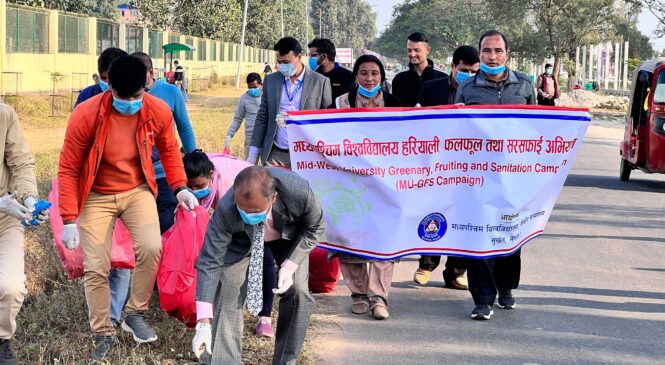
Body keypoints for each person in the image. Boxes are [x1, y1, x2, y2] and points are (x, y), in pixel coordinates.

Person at [58, 55, 198, 360]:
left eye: (137, 96)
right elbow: (68, 168)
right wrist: (69, 218)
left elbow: (171, 152)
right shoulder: (86, 114)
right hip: (96, 194)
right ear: (109, 88)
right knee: (97, 266)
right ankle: (102, 332)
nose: (131, 102)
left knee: (150, 247)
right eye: (123, 97)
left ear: (147, 84)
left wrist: (180, 187)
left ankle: (135, 314)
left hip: (137, 191)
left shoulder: (157, 110)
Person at [192, 166, 325, 365]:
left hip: (287, 238)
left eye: (254, 211)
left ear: (273, 199)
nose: (247, 214)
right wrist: (202, 323)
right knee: (228, 287)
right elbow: (209, 260)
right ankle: (223, 360)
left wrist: (290, 266)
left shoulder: (298, 191)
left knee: (298, 291)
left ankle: (286, 361)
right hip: (242, 239)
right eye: (242, 209)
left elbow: (316, 227)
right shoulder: (227, 209)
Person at [455, 30, 536, 320]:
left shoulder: (525, 85)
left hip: (514, 176)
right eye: (486, 51)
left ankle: (506, 287)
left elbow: (536, 130)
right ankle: (482, 299)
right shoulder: (467, 88)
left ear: (507, 53)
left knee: (510, 234)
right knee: (479, 234)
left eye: (497, 50)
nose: (492, 56)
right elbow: (458, 131)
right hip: (478, 176)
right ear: (479, 54)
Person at [73, 47, 134, 332]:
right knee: (98, 257)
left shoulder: (135, 98)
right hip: (94, 190)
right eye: (107, 80)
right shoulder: (86, 99)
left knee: (123, 256)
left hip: (129, 189)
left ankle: (112, 315)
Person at [183, 150, 277, 337]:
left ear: (211, 176)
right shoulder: (201, 178)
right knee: (224, 263)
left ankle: (265, 317)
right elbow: (211, 254)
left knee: (263, 254)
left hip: (256, 202)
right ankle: (222, 309)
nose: (195, 191)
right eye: (190, 187)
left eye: (199, 185)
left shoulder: (230, 187)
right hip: (234, 210)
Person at [334, 55, 399, 320]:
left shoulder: (396, 104)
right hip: (351, 180)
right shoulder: (340, 103)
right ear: (356, 77)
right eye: (363, 73)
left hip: (386, 180)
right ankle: (359, 293)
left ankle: (379, 296)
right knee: (352, 235)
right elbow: (324, 134)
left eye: (374, 73)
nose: (369, 78)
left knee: (384, 237)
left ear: (381, 77)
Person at [412, 45, 480, 291]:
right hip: (436, 163)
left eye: (474, 71)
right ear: (452, 67)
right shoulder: (432, 87)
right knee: (433, 212)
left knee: (463, 217)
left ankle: (455, 272)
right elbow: (418, 121)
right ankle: (426, 264)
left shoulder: (481, 91)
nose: (469, 75)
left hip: (469, 165)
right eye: (464, 70)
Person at [0, 103, 47, 365]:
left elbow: (22, 163)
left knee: (11, 287)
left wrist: (29, 199)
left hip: (5, 219)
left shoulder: (4, 115)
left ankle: (1, 339)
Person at [132, 52, 197, 233]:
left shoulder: (171, 92)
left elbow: (184, 127)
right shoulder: (126, 95)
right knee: (142, 227)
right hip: (137, 177)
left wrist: (194, 156)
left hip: (164, 173)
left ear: (151, 72)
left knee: (166, 222)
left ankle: (166, 259)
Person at [248, 37, 332, 168]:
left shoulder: (320, 82)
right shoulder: (271, 81)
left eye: (286, 62)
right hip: (276, 154)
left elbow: (326, 122)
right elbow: (262, 117)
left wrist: (297, 121)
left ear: (299, 57)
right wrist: (253, 152)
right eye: (279, 62)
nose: (282, 66)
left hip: (307, 156)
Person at [391, 32, 447, 107]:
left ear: (427, 50)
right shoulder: (399, 79)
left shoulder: (443, 78)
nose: (412, 54)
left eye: (417, 50)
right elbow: (395, 109)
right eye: (409, 50)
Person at [224, 73, 263, 159]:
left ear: (261, 84)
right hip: (251, 138)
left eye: (255, 87)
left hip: (265, 137)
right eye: (250, 88)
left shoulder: (267, 96)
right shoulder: (244, 98)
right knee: (250, 167)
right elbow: (237, 119)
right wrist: (229, 134)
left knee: (268, 168)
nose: (252, 90)